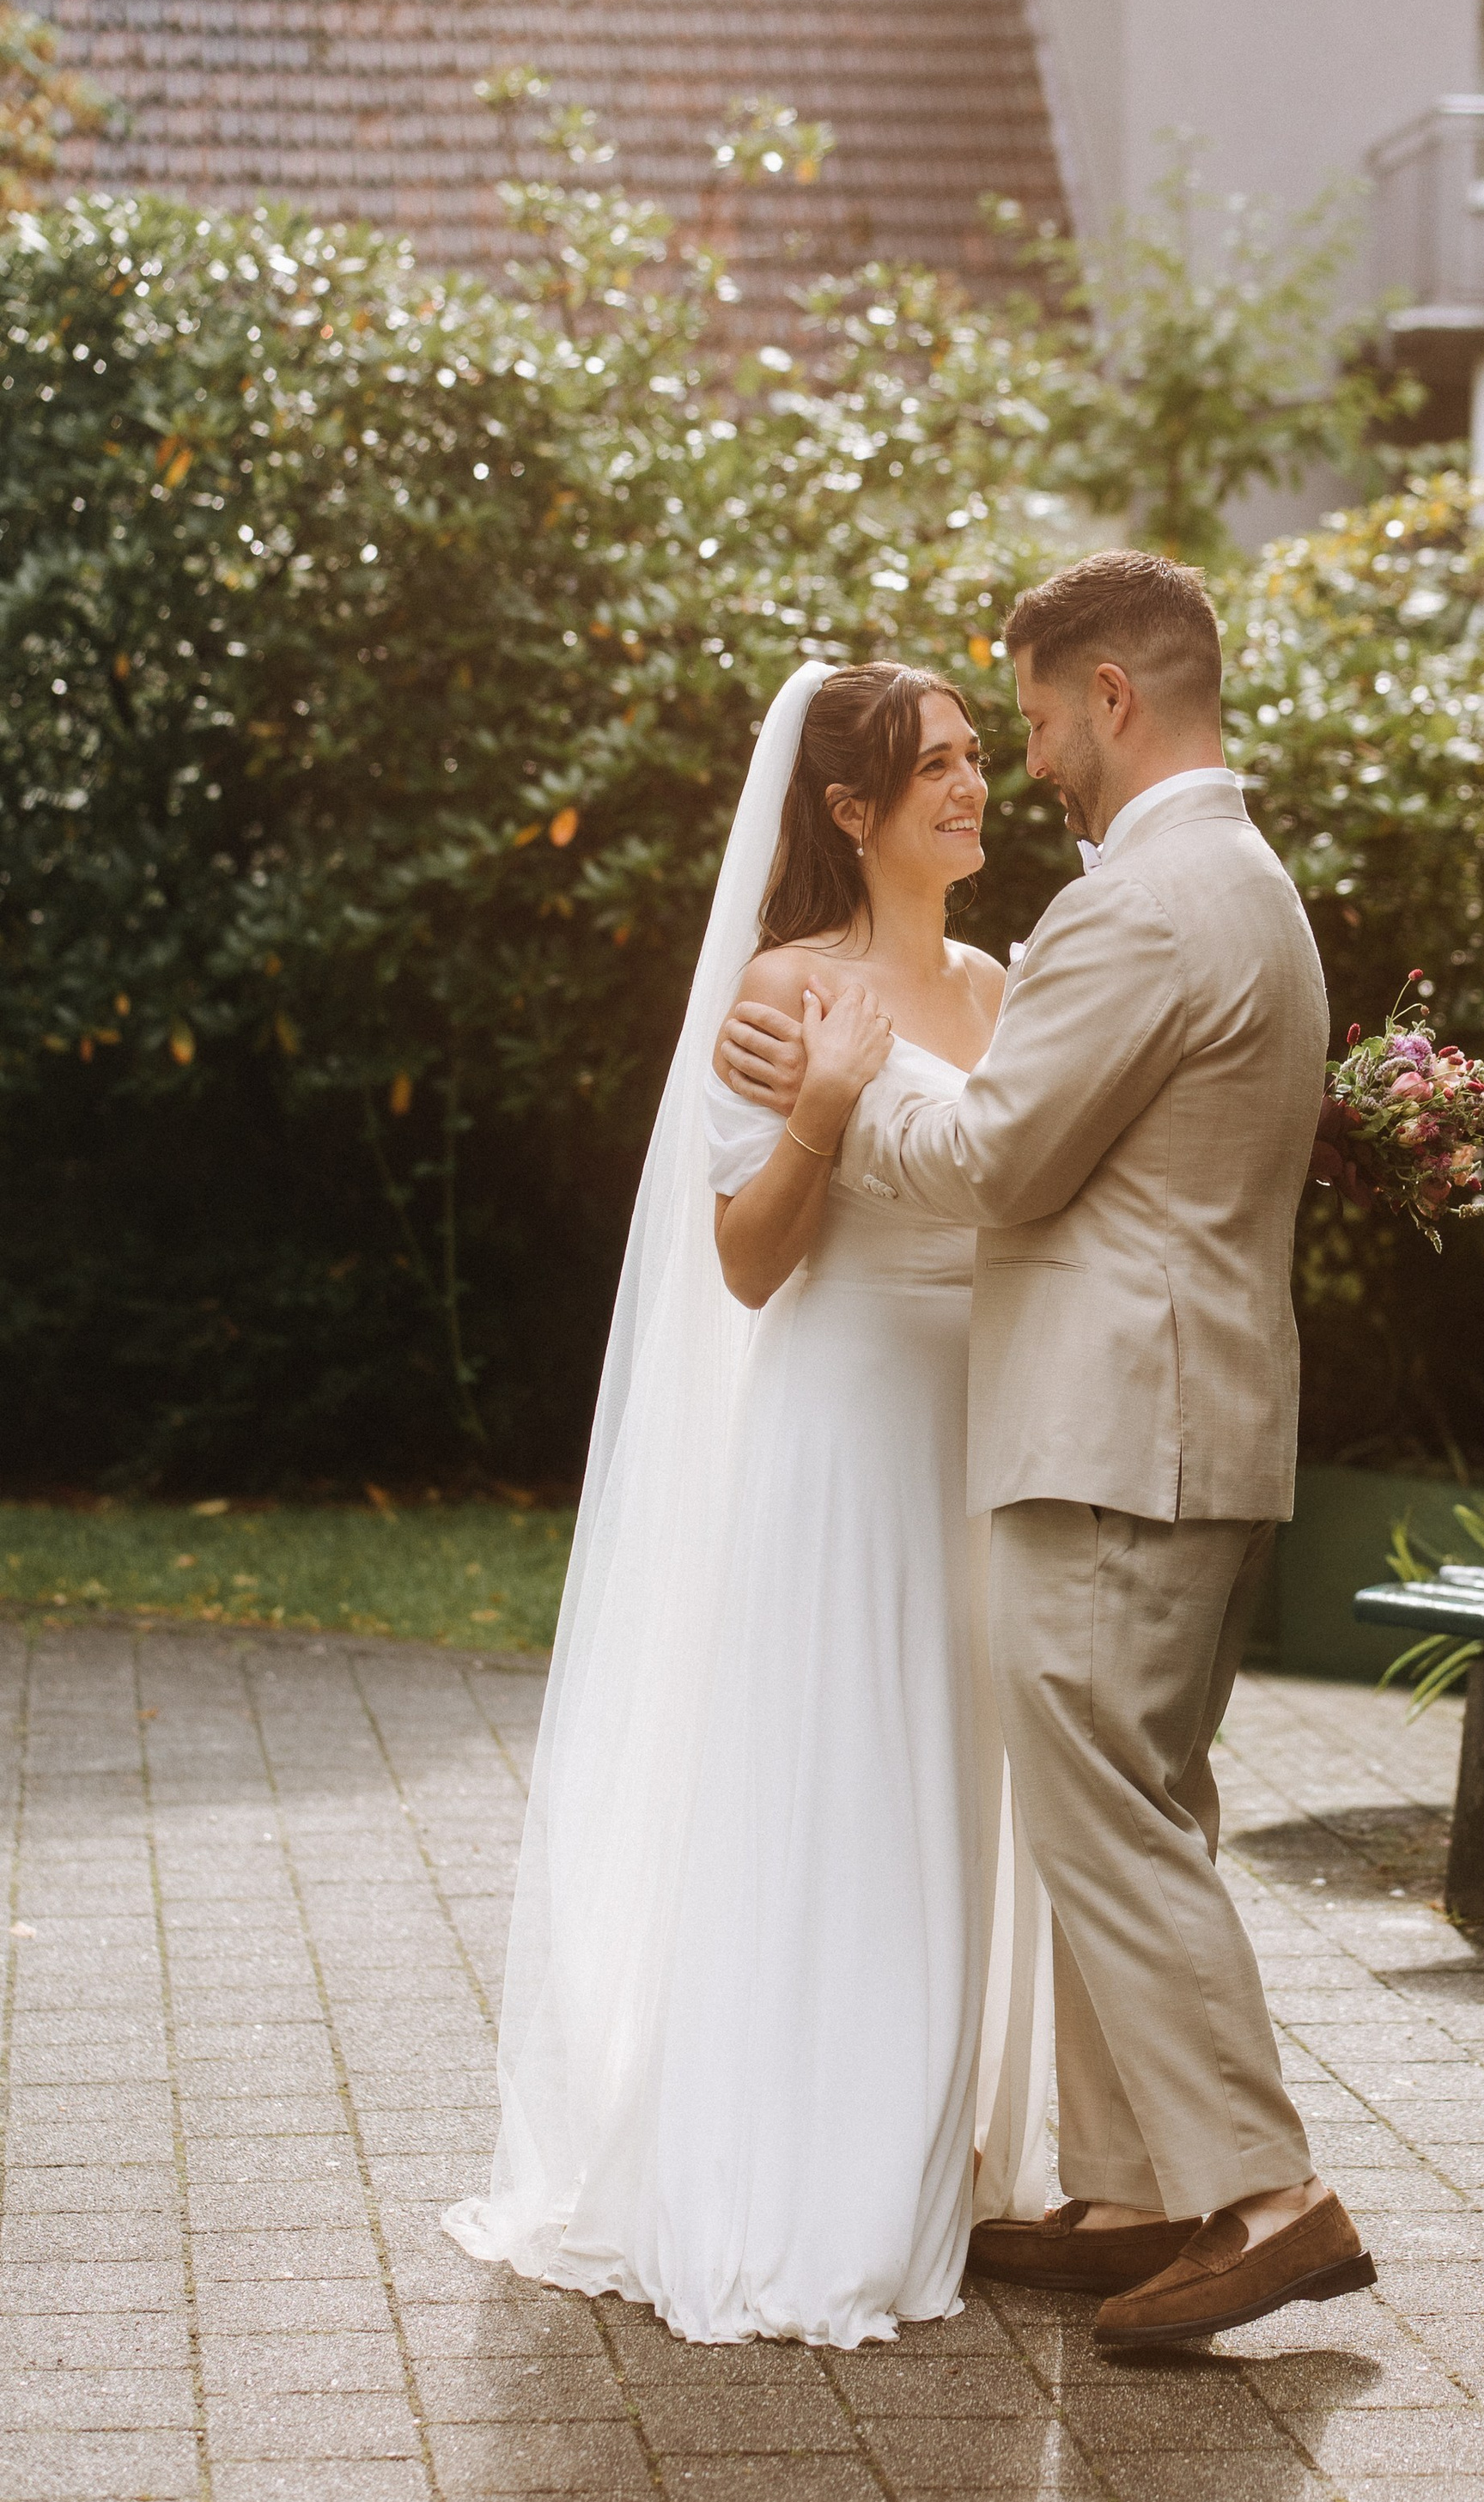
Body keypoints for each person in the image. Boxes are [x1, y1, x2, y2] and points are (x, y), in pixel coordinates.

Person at [719, 553, 1372, 2351]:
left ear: (1110, 698)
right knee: (1131, 1792)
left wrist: (834, 1092)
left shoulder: (1136, 908)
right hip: (1181, 1420)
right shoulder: (1240, 880)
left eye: (1025, 724)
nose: (1023, 764)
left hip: (1115, 1433)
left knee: (1110, 1809)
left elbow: (1000, 1160)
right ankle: (1142, 2188)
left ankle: (1264, 2196)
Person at [443, 660, 1050, 2347]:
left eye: (973, 757)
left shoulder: (1004, 988)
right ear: (848, 812)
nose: (969, 785)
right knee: (840, 1783)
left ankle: (932, 2140)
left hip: (979, 1440)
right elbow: (745, 1259)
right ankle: (805, 2172)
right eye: (932, 767)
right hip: (845, 1429)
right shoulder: (783, 996)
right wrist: (834, 1105)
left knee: (951, 1789)